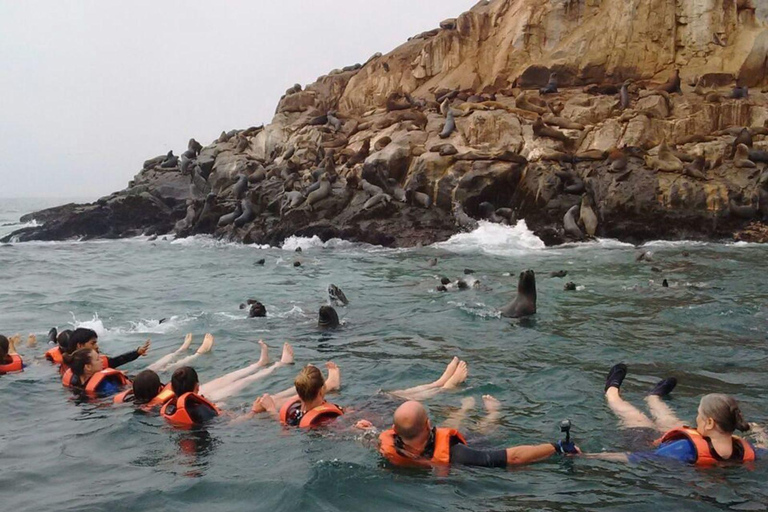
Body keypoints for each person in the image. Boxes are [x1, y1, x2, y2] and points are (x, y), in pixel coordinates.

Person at [586, 364, 766, 465]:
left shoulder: (683, 449)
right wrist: (758, 431)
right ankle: (653, 398)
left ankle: (612, 390)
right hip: (676, 440)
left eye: (699, 415)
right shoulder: (745, 451)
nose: (697, 419)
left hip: (647, 441)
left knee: (637, 418)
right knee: (674, 423)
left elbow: (632, 457)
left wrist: (584, 457)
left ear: (710, 422)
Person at [357, 400, 578, 468]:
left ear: (394, 430)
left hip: (425, 444)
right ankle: (493, 413)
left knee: (449, 432)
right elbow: (513, 457)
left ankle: (464, 409)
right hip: (466, 445)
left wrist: (369, 430)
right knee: (480, 433)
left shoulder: (384, 444)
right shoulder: (457, 454)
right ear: (428, 424)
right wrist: (557, 447)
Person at [115, 340, 294, 409]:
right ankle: (279, 364)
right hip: (200, 397)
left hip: (188, 393)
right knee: (242, 383)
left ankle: (260, 363)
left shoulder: (141, 397)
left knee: (225, 379)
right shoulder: (153, 408)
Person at [257, 364, 344, 428]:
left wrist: (271, 409)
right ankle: (332, 384)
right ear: (321, 390)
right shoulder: (325, 418)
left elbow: (284, 424)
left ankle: (332, 383)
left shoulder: (293, 413)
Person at [61, 328, 150, 373]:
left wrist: (137, 352)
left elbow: (116, 361)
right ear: (79, 345)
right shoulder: (71, 369)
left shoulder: (95, 361)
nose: (97, 347)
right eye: (93, 343)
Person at [61, 348, 131, 396]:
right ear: (88, 367)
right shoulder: (106, 386)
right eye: (98, 359)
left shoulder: (74, 383)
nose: (102, 360)